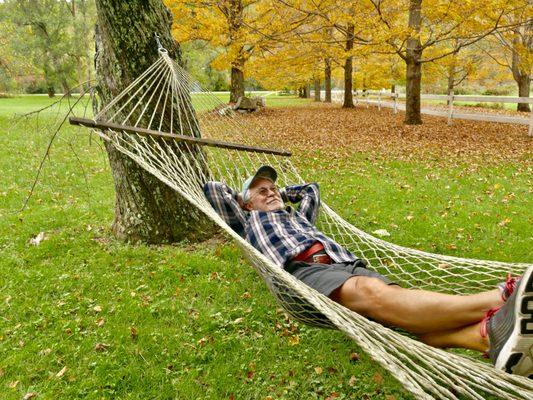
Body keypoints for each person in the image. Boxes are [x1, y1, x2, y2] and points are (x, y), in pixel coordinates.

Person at [204, 165, 533, 377]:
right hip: (304, 274)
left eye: (273, 187)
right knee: (373, 294)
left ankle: (488, 339)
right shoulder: (246, 223)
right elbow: (213, 191)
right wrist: (247, 196)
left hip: (347, 266)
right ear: (246, 203)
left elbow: (311, 191)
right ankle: (502, 298)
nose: (271, 191)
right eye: (262, 191)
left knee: (403, 314)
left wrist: (280, 193)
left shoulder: (298, 216)